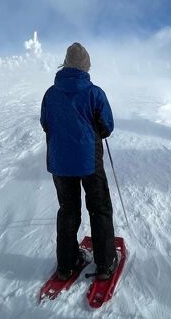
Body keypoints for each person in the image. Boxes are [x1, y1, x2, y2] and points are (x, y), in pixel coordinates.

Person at [40, 42, 117, 280]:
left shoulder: (51, 93)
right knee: (99, 208)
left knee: (68, 211)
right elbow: (107, 127)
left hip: (60, 163)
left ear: (66, 63)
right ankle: (104, 264)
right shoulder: (94, 93)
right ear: (86, 65)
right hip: (88, 162)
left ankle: (66, 264)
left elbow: (45, 123)